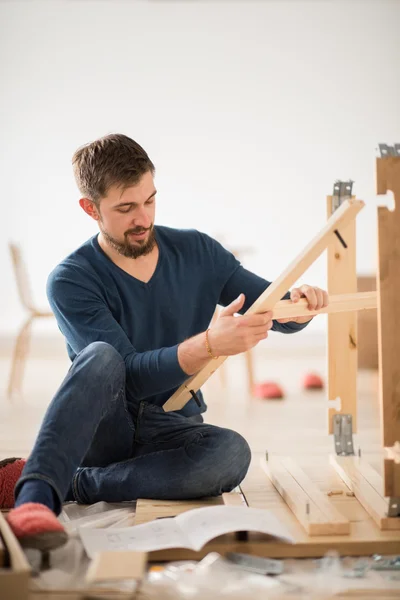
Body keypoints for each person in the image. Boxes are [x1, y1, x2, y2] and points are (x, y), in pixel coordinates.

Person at [0, 134, 328, 551]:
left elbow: (274, 309)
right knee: (100, 357)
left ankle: (77, 483)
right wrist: (209, 344)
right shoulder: (71, 279)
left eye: (149, 201)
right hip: (109, 425)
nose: (143, 218)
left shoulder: (197, 251)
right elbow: (129, 376)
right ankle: (36, 498)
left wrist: (300, 304)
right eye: (126, 208)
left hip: (172, 424)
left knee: (231, 454)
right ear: (90, 208)